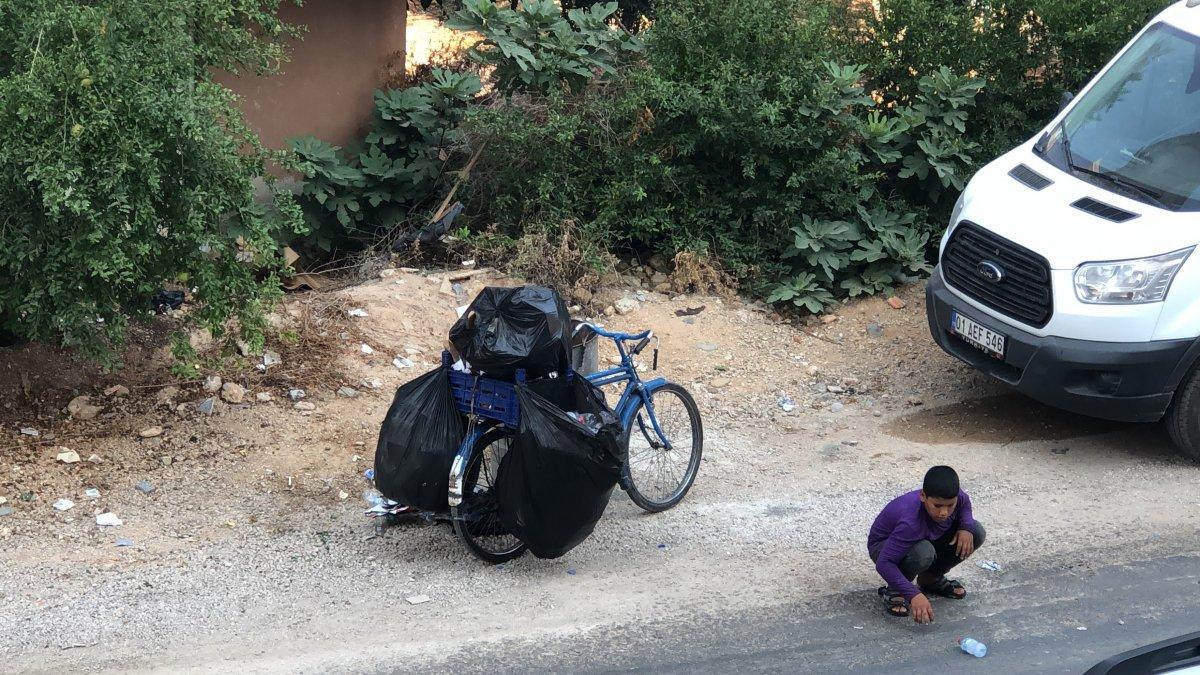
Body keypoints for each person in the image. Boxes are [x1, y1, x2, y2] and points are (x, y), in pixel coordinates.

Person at [868, 465, 986, 624]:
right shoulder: (910, 523)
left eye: (950, 506)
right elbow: (884, 563)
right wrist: (913, 594)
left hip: (925, 537)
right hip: (885, 548)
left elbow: (965, 504)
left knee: (975, 531)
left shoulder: (957, 498)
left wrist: (965, 527)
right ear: (923, 496)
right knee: (923, 553)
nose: (944, 512)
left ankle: (931, 579)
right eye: (937, 506)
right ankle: (896, 591)